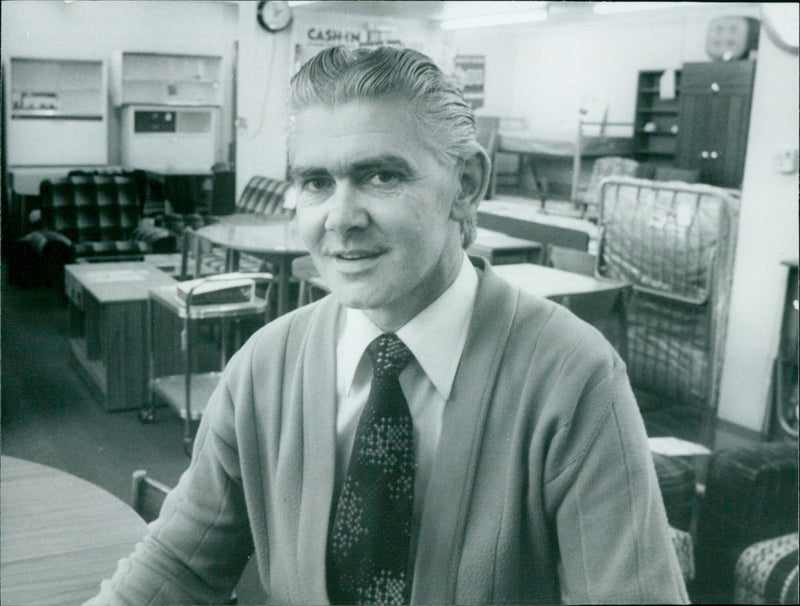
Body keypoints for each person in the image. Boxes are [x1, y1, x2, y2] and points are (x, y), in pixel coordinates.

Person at [87, 46, 688, 605]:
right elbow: (178, 566)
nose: (340, 219)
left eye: (382, 176)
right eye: (316, 182)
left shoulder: (572, 377)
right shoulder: (265, 366)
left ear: (466, 186)